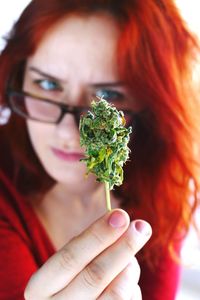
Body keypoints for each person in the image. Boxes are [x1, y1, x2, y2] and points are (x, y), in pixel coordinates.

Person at [0, 0, 199, 299]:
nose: (68, 133)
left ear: (152, 104)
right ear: (18, 76)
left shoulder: (161, 192)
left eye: (108, 94)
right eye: (47, 84)